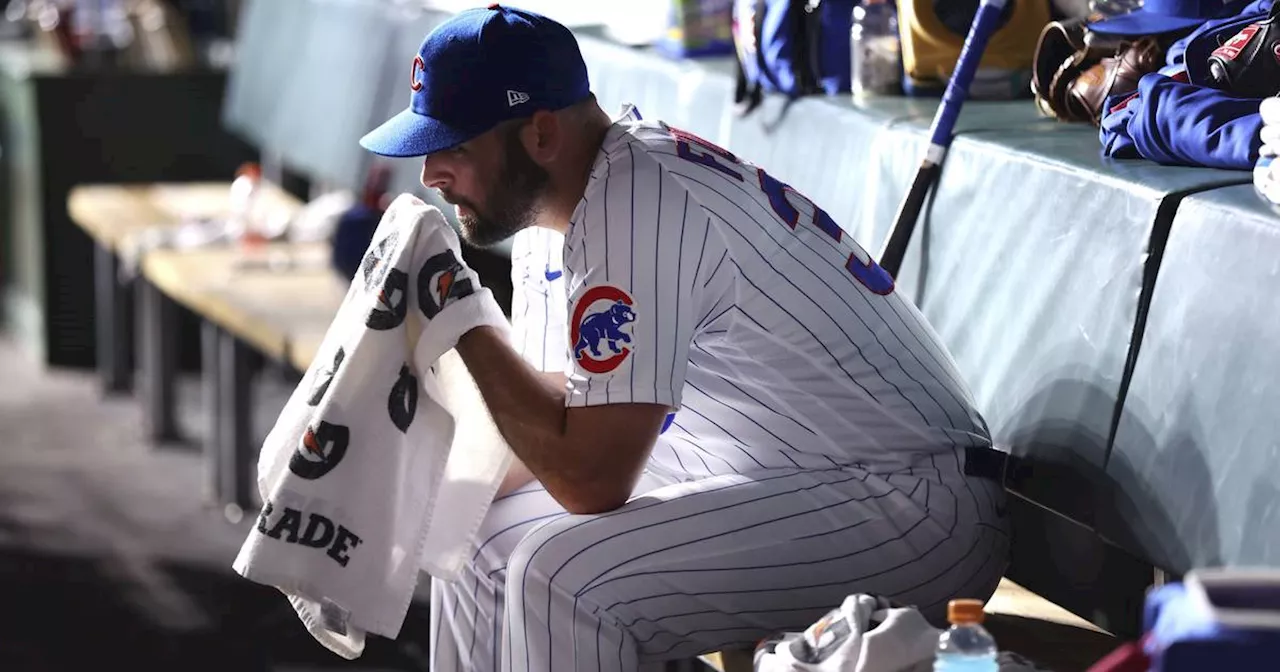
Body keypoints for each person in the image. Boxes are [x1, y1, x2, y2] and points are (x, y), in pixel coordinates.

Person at [358, 5, 1009, 671]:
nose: (430, 174)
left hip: (907, 502)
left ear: (541, 133)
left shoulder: (641, 201)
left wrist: (461, 317)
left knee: (561, 579)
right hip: (764, 466)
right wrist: (404, 491)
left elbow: (590, 479)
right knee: (464, 534)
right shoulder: (551, 217)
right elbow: (558, 425)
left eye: (455, 147)